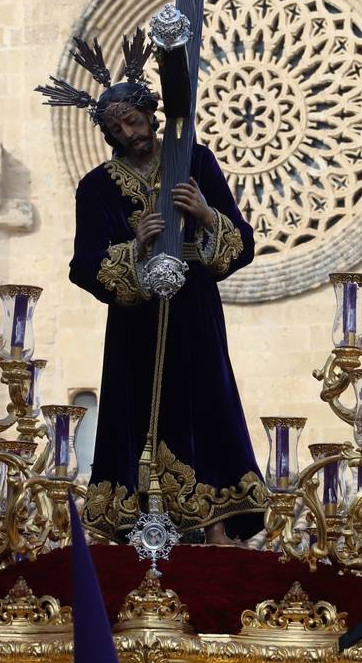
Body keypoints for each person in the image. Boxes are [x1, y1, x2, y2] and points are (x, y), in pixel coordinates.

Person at [37, 34, 266, 544]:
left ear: (150, 114)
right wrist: (135, 247)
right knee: (135, 410)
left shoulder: (195, 162)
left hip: (195, 310)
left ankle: (217, 526)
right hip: (135, 322)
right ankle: (135, 525)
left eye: (133, 121)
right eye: (117, 128)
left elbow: (243, 241)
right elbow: (84, 265)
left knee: (205, 404)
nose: (128, 133)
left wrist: (205, 215)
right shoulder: (96, 187)